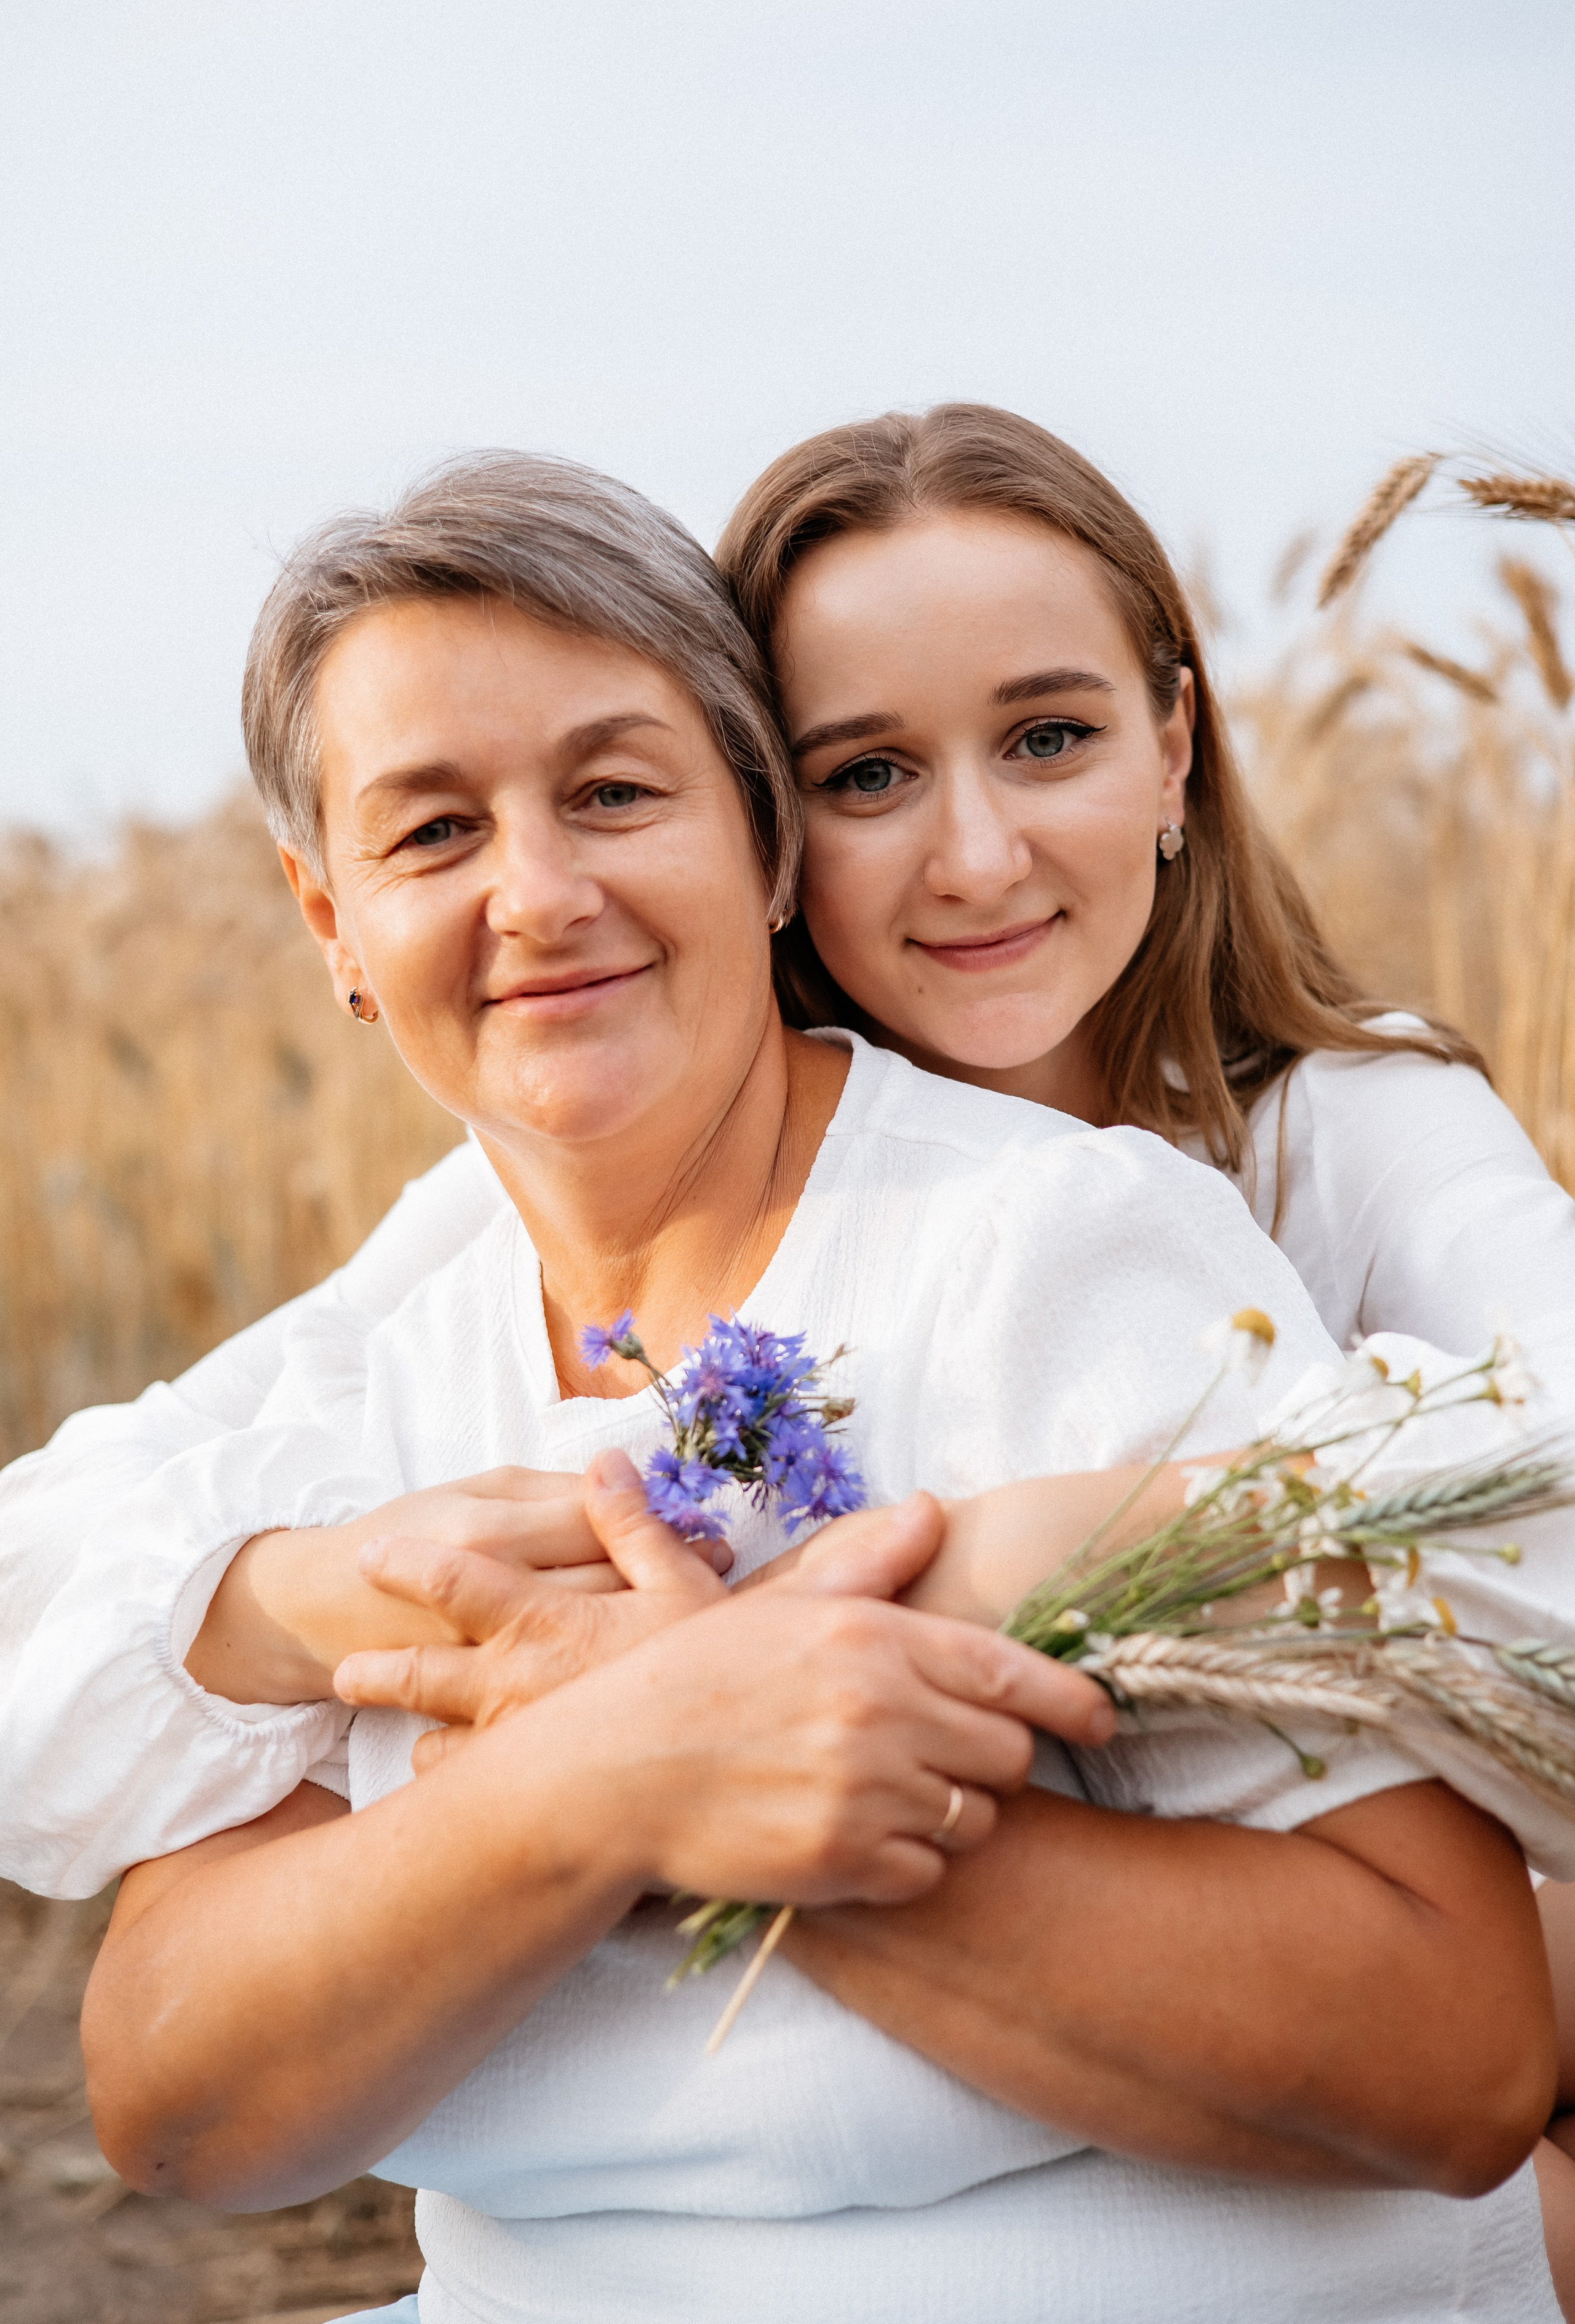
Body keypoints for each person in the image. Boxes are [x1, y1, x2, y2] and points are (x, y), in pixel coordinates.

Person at [43, 452, 1557, 2324]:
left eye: (614, 791)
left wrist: (806, 1752)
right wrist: (606, 1776)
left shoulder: (1085, 1239)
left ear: (762, 848)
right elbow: (177, 2101)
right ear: (330, 923)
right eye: (429, 832)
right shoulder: (385, 1370)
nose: (539, 893)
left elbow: (1457, 2059)